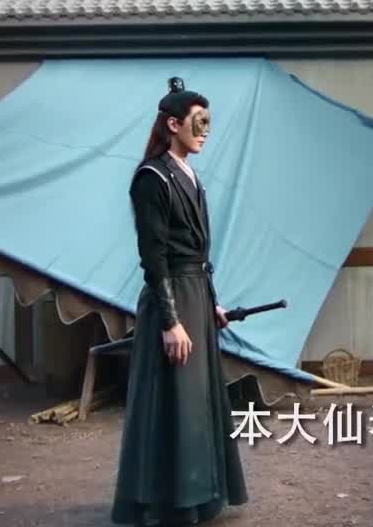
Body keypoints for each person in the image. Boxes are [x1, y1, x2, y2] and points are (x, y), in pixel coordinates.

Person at [112, 77, 248, 526]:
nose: (206, 132)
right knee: (173, 402)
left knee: (198, 402)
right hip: (171, 299)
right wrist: (171, 321)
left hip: (196, 297)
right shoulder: (152, 178)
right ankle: (167, 505)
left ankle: (200, 498)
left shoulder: (190, 175)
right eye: (198, 122)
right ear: (173, 124)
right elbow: (154, 257)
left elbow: (199, 256)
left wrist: (212, 303)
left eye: (209, 123)